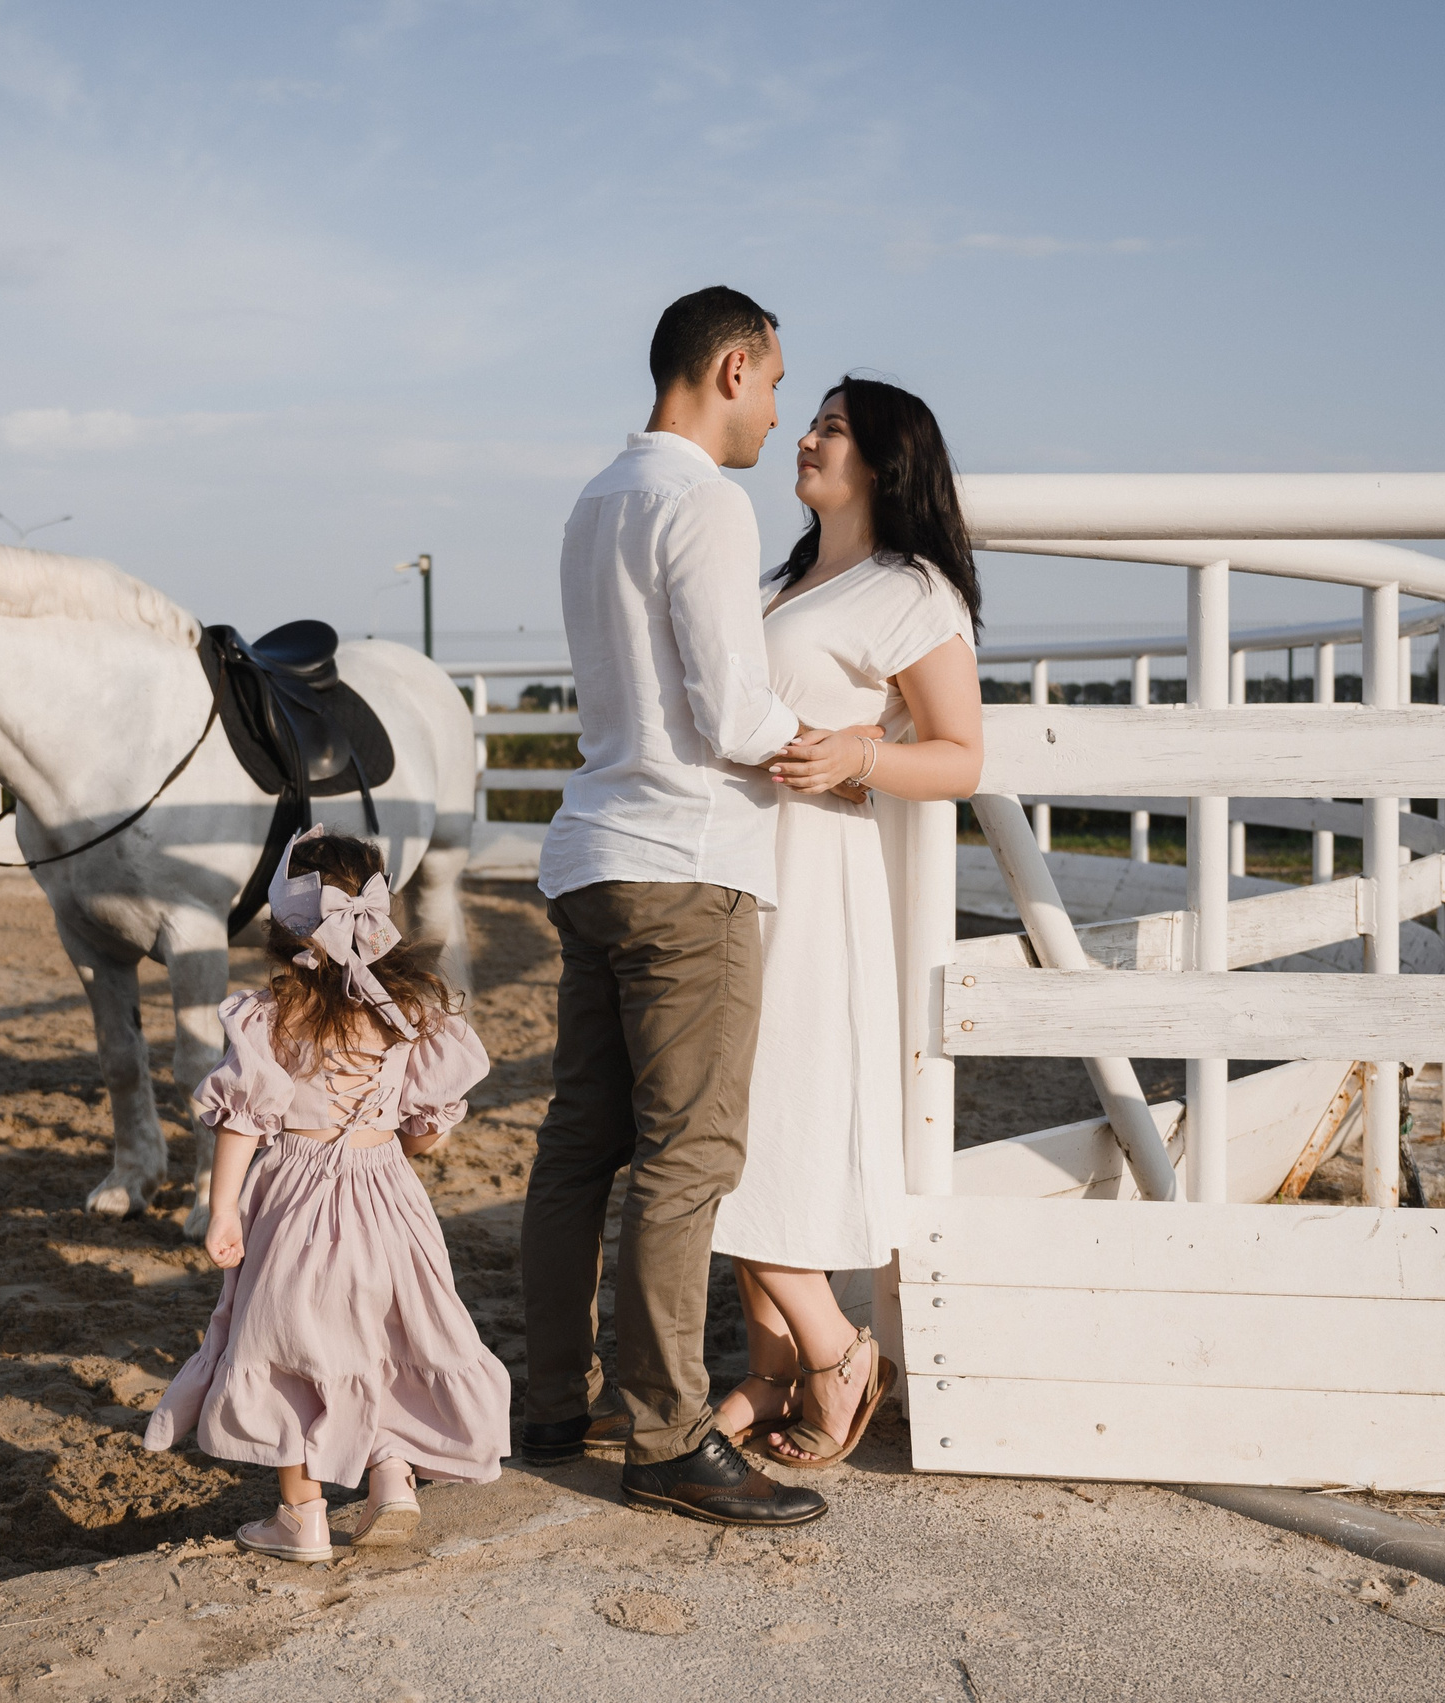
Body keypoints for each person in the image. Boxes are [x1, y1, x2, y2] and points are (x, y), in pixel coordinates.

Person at [517, 285, 829, 1529]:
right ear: (732, 364)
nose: (776, 413)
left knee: (579, 1141)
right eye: (773, 384)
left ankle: (549, 1400)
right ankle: (660, 1433)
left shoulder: (597, 496)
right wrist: (844, 744)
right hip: (683, 861)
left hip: (594, 852)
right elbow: (730, 716)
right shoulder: (703, 498)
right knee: (687, 1153)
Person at [708, 376, 986, 1468]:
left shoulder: (909, 589)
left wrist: (859, 752)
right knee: (736, 1102)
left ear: (881, 459)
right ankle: (769, 1368)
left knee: (756, 1115)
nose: (808, 436)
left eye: (831, 426)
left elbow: (959, 753)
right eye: (812, 418)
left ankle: (829, 1351)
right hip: (741, 862)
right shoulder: (785, 578)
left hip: (816, 873)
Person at [143, 826, 510, 1562]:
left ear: (284, 924)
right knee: (381, 1339)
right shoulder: (408, 1013)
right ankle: (393, 1477)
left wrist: (221, 1208)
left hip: (296, 1204)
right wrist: (384, 1138)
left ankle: (301, 1518)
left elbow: (243, 1120)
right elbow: (428, 1134)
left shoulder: (271, 1016)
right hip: (388, 1201)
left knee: (289, 1350)